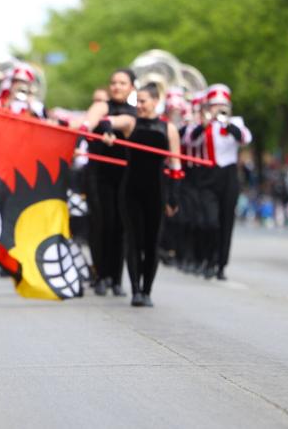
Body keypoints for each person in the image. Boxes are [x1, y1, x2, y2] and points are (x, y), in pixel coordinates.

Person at [102, 83, 182, 307]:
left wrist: (174, 196)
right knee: (133, 240)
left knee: (151, 241)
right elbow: (110, 120)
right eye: (137, 101)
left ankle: (147, 290)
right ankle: (136, 290)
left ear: (156, 101)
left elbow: (176, 164)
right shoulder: (131, 122)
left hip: (157, 190)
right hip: (130, 190)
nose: (139, 106)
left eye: (144, 101)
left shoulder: (169, 129)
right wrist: (108, 129)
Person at [74, 70, 137, 296]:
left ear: (131, 87)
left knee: (121, 227)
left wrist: (111, 127)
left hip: (125, 175)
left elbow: (128, 124)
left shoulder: (135, 112)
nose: (117, 86)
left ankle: (117, 279)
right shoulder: (102, 106)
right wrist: (88, 130)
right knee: (100, 224)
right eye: (113, 82)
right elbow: (90, 122)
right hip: (99, 175)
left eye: (122, 83)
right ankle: (101, 275)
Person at [189, 84, 251, 279]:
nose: (219, 108)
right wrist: (205, 123)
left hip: (229, 176)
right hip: (208, 175)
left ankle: (221, 264)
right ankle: (207, 259)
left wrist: (227, 123)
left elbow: (245, 138)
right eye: (215, 105)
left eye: (222, 105)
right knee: (210, 221)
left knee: (226, 221)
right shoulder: (203, 126)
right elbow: (190, 141)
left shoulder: (235, 123)